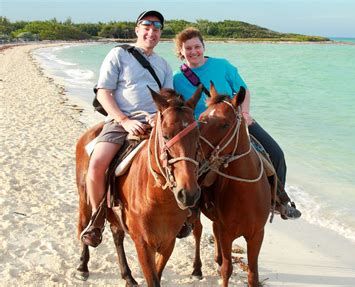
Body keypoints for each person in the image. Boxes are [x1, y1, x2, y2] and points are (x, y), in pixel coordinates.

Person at [80, 10, 186, 247]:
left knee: (186, 159)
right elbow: (103, 92)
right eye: (146, 27)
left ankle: (184, 213)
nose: (152, 32)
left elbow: (166, 100)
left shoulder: (164, 65)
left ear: (160, 34)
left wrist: (157, 118)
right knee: (97, 165)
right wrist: (124, 120)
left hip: (154, 124)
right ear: (137, 30)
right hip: (120, 122)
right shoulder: (118, 54)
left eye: (157, 28)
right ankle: (97, 219)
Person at [173, 27, 301, 220]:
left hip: (236, 121)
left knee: (275, 153)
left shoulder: (222, 65)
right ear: (181, 52)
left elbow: (243, 90)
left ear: (203, 46)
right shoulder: (177, 79)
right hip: (204, 129)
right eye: (188, 48)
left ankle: (278, 200)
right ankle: (189, 215)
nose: (193, 52)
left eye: (197, 46)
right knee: (191, 168)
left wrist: (246, 113)